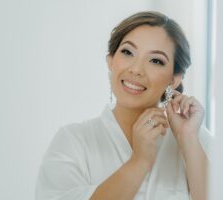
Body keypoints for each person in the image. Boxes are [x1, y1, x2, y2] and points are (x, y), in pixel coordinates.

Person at [35, 11, 212, 200]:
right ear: (110, 61)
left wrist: (188, 140)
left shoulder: (196, 140)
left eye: (155, 60)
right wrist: (139, 161)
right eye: (128, 52)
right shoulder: (73, 142)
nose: (136, 69)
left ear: (174, 79)